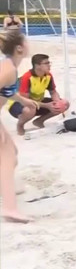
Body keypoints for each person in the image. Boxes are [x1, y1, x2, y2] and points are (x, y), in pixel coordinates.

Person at [0, 31, 38, 222]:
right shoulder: (8, 69)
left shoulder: (10, 67)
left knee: (12, 154)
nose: (29, 44)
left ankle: (6, 189)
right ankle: (9, 207)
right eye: (26, 41)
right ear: (19, 48)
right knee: (6, 157)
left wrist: (23, 100)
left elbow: (6, 90)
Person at [8, 54, 70, 135]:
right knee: (30, 109)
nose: (49, 65)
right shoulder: (27, 77)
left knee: (65, 104)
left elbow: (53, 92)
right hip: (17, 104)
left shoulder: (48, 75)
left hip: (37, 101)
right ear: (37, 66)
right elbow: (25, 100)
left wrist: (58, 102)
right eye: (46, 63)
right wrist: (47, 105)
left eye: (49, 62)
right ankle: (20, 126)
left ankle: (39, 121)